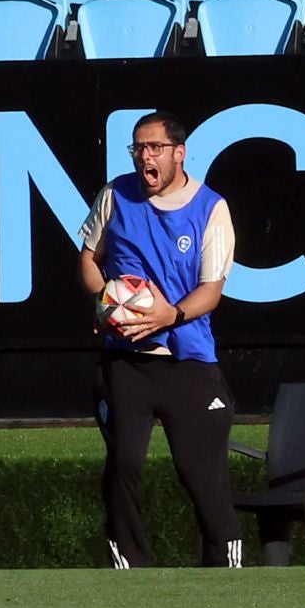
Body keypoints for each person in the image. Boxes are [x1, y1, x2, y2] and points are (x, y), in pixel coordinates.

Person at [77, 111, 242, 569]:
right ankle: (131, 565)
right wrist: (103, 301)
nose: (144, 157)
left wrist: (171, 314)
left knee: (200, 473)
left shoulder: (210, 208)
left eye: (154, 148)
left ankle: (225, 568)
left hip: (189, 360)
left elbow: (211, 290)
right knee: (126, 462)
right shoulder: (115, 195)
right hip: (128, 361)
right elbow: (89, 258)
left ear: (178, 152)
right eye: (138, 148)